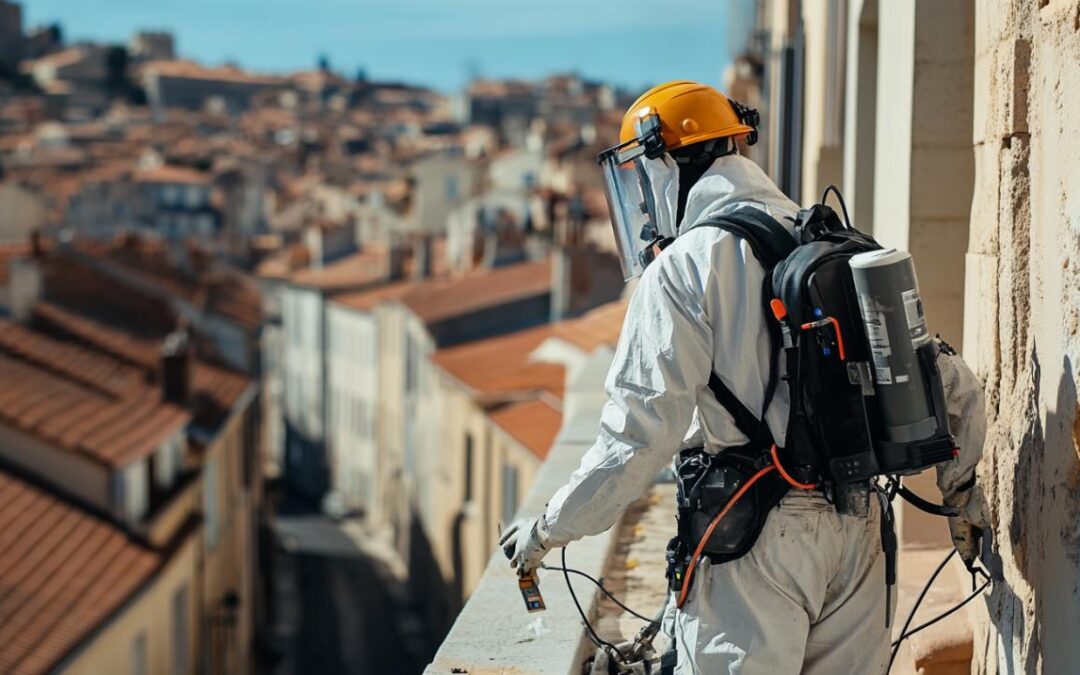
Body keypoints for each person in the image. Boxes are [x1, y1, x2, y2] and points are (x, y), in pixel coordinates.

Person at [500, 81, 989, 674]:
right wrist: (963, 497)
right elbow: (946, 380)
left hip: (754, 541)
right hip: (859, 528)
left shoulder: (685, 267)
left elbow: (637, 438)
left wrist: (548, 529)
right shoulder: (833, 240)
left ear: (664, 164)